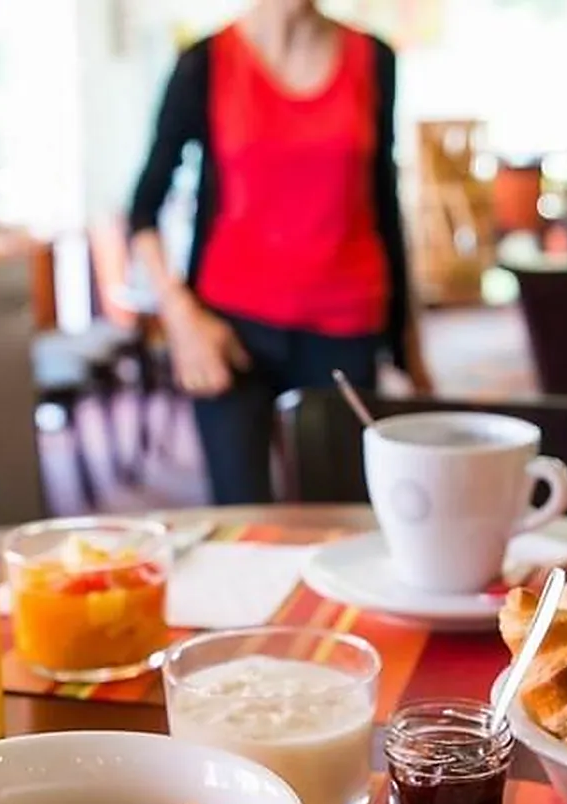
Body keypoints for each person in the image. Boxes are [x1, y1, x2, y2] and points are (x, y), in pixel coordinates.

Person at [127, 0, 433, 506]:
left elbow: (384, 205)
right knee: (243, 518)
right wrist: (181, 319)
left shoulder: (373, 59)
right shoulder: (205, 63)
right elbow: (142, 210)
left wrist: (410, 347)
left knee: (341, 518)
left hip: (346, 330)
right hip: (230, 331)